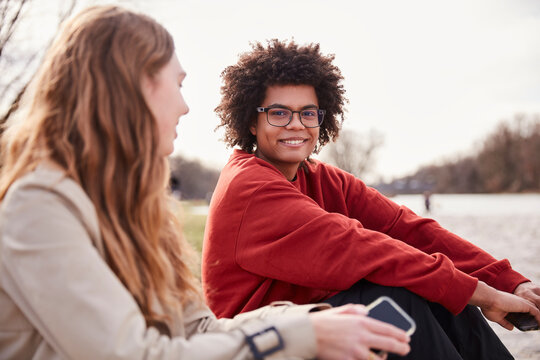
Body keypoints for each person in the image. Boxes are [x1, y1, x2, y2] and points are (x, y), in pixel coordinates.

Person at [0, 7, 411, 360]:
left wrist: (311, 320)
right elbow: (131, 354)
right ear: (131, 89)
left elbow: (197, 331)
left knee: (401, 316)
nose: (185, 106)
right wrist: (297, 336)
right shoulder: (37, 209)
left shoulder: (138, 209)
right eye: (177, 85)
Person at [202, 39, 540, 359]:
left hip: (311, 329)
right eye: (279, 113)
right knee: (396, 298)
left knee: (436, 293)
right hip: (260, 347)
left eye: (308, 113)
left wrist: (510, 283)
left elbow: (409, 230)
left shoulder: (321, 178)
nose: (296, 125)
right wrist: (484, 295)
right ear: (251, 120)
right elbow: (363, 250)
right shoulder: (250, 188)